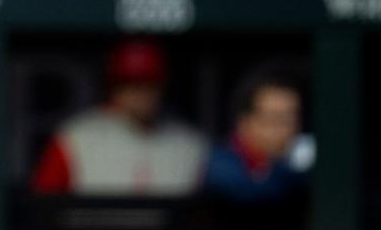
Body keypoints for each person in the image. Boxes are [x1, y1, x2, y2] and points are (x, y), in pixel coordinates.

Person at [30, 38, 208, 196]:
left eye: (149, 82)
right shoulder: (76, 138)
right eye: (130, 83)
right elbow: (43, 210)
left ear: (163, 85)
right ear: (113, 87)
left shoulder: (190, 144)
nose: (140, 92)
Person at [204, 77, 307, 204]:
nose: (288, 130)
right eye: (276, 119)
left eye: (293, 119)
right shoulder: (220, 163)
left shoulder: (289, 159)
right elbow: (255, 196)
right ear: (244, 122)